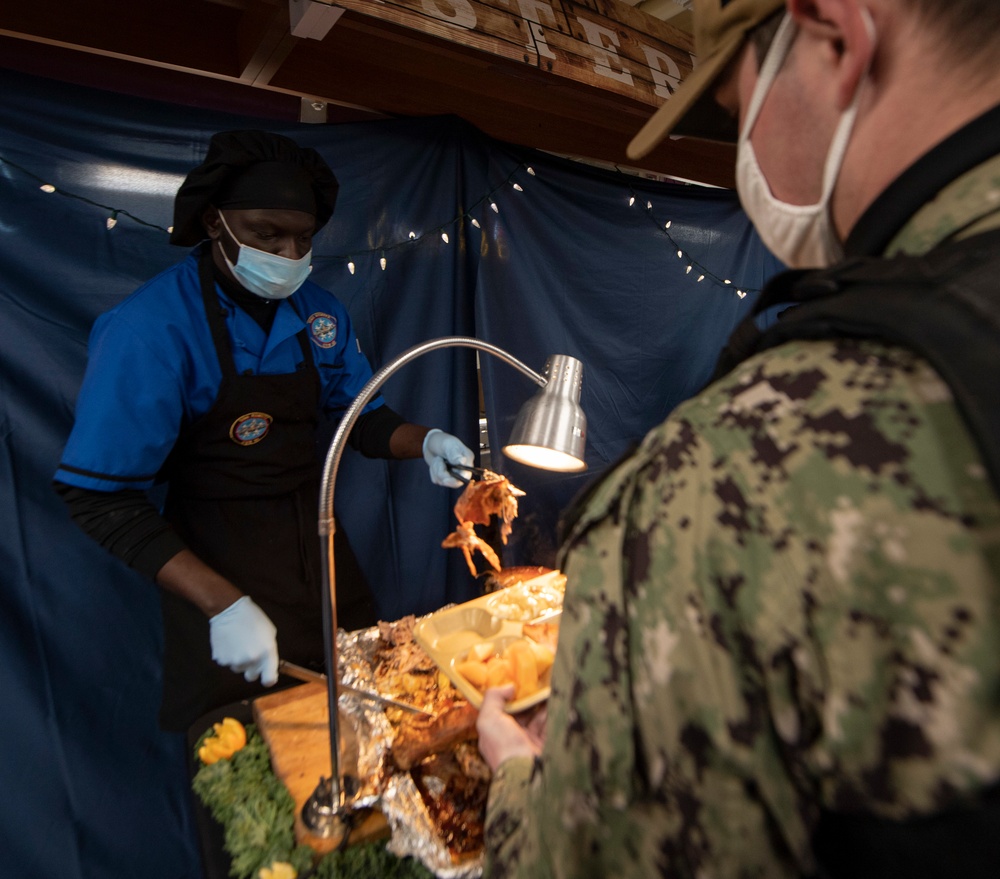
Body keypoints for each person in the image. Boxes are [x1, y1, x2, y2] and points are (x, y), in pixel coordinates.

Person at [476, 0, 1000, 876]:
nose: (746, 156)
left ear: (837, 38)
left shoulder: (732, 478)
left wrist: (519, 776)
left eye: (734, 113)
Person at [53, 130, 474, 732]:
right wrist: (222, 605)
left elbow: (359, 417)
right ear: (213, 222)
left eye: (303, 238)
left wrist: (425, 440)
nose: (288, 253)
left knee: (367, 708)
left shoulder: (320, 314)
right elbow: (97, 496)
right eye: (265, 233)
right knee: (250, 745)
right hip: (215, 558)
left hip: (317, 541)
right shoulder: (150, 330)